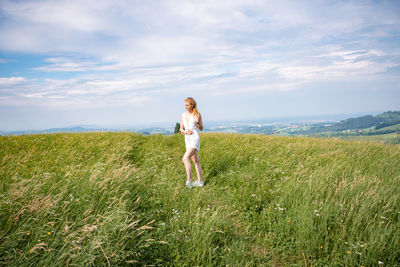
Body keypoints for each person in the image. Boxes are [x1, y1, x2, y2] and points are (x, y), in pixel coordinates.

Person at [180, 97, 204, 188]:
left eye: (187, 105)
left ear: (192, 105)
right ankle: (200, 182)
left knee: (185, 158)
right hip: (187, 139)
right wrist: (185, 132)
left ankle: (188, 182)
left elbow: (201, 128)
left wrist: (197, 122)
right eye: (185, 105)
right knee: (195, 160)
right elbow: (181, 129)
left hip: (194, 138)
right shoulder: (182, 115)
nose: (185, 106)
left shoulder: (197, 114)